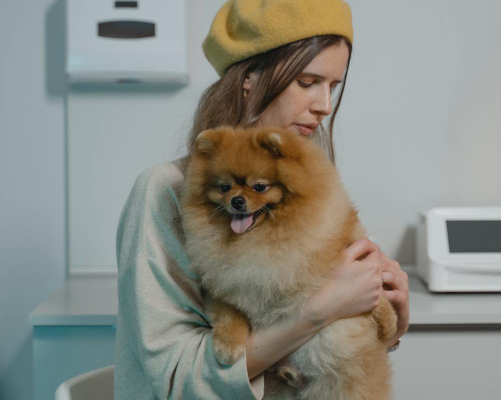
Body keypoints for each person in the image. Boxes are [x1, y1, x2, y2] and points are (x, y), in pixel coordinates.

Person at [114, 0, 410, 399]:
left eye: (332, 86)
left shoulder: (306, 189)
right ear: (249, 77)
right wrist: (319, 310)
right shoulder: (163, 191)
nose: (324, 105)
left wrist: (388, 313)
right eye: (307, 82)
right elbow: (172, 380)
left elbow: (345, 346)